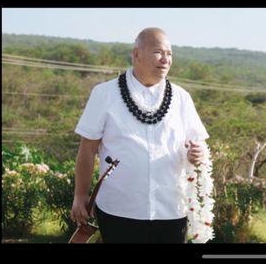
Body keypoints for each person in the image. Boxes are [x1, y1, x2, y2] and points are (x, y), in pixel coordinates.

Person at [70, 27, 209, 243]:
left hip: (171, 210)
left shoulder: (182, 98)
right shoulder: (104, 93)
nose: (165, 60)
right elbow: (87, 149)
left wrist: (197, 153)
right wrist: (80, 196)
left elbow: (197, 145)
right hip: (119, 210)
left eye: (169, 54)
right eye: (158, 52)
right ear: (136, 54)